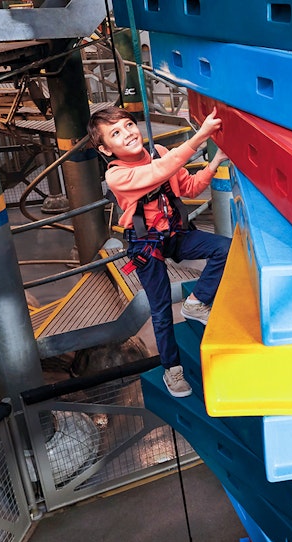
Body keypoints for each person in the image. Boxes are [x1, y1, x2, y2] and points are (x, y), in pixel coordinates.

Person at [88, 106, 229, 398]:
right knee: (161, 310)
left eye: (128, 125)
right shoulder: (117, 177)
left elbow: (187, 187)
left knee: (223, 248)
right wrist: (200, 137)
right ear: (105, 149)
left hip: (174, 234)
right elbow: (157, 172)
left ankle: (197, 301)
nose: (127, 134)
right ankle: (172, 371)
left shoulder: (162, 152)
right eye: (116, 133)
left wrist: (214, 161)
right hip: (146, 244)